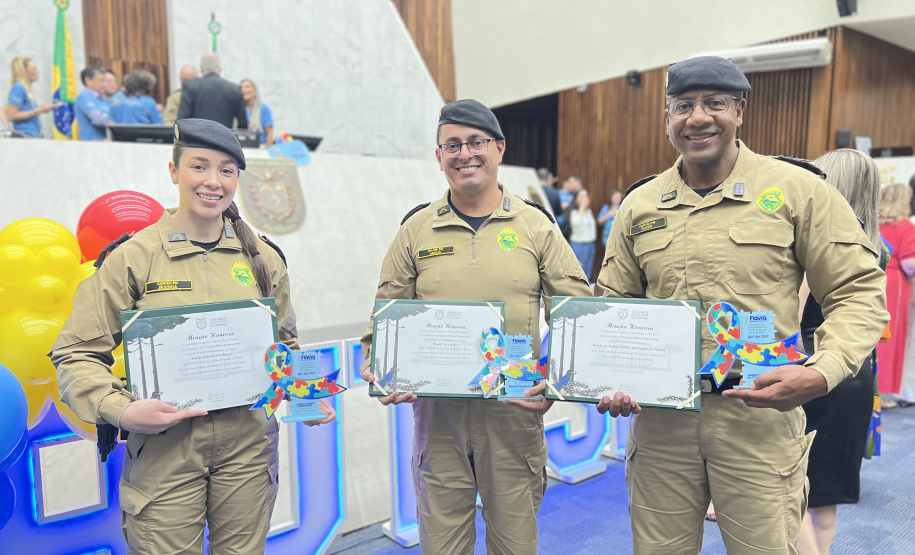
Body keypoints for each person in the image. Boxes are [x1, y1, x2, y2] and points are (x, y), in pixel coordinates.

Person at [596, 56, 888, 554]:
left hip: (759, 425)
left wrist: (822, 370)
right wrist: (610, 376)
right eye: (683, 106)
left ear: (740, 111)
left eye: (715, 103)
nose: (698, 117)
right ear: (668, 118)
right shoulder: (641, 206)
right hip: (662, 430)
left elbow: (858, 291)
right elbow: (615, 306)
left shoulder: (797, 191)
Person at [50, 119, 336, 553]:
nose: (213, 181)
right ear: (173, 171)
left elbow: (285, 348)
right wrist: (120, 411)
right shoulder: (133, 258)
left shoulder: (263, 258)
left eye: (226, 170)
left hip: (248, 448)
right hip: (165, 452)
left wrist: (303, 394)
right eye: (199, 166)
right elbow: (75, 353)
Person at [359, 99, 591, 554]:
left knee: (514, 545)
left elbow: (575, 313)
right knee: (442, 545)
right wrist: (380, 368)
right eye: (452, 145)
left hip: (513, 415)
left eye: (476, 142)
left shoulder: (536, 226)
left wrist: (557, 382)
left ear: (499, 148)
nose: (465, 154)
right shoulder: (416, 230)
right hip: (438, 420)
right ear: (439, 156)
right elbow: (384, 320)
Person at [795, 150, 884, 555]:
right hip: (857, 374)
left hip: (813, 367)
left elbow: (792, 317)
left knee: (788, 492)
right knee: (825, 500)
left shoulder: (822, 238)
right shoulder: (873, 243)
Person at [876, 183, 915, 403]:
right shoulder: (906, 227)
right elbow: (910, 265)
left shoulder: (874, 224)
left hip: (873, 278)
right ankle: (884, 392)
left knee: (873, 333)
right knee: (890, 337)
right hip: (895, 286)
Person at [177, 53, 247, 129]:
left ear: (201, 69)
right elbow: (243, 123)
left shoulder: (190, 87)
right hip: (224, 138)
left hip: (197, 139)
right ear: (220, 69)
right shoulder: (235, 89)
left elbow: (182, 120)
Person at [4, 56, 54, 137]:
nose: (38, 71)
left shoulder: (27, 90)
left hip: (34, 134)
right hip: (25, 135)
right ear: (26, 72)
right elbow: (11, 115)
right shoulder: (19, 87)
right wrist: (38, 110)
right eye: (34, 69)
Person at [74, 65, 110, 141]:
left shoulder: (104, 100)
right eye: (101, 81)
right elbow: (98, 120)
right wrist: (116, 123)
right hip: (92, 145)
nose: (104, 84)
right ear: (88, 80)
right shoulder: (84, 97)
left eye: (105, 81)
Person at [568, 188, 597, 279]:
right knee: (578, 272)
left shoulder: (589, 211)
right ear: (576, 199)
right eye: (582, 196)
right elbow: (576, 224)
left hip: (590, 244)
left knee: (588, 271)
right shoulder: (574, 212)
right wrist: (582, 207)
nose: (585, 198)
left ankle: (585, 291)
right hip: (578, 245)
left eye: (586, 196)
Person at [240, 78, 274, 146]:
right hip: (242, 146)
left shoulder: (264, 108)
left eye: (247, 86)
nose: (243, 90)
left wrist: (267, 151)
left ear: (255, 91)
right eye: (241, 87)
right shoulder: (238, 109)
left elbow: (270, 133)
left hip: (260, 146)